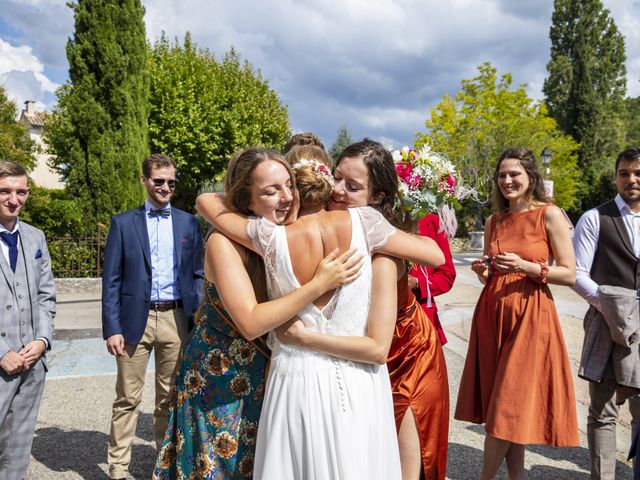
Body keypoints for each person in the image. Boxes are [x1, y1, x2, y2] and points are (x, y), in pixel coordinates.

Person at [198, 146, 445, 479]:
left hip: (294, 378)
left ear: (296, 189)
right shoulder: (368, 223)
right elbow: (436, 256)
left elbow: (207, 202)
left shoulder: (268, 237)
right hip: (360, 380)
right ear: (326, 183)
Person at [153, 148, 361, 479]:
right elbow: (250, 322)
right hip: (218, 377)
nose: (286, 197)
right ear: (247, 201)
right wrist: (319, 283)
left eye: (289, 185)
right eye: (270, 191)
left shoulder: (279, 234)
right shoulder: (224, 241)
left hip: (264, 374)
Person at [328, 139, 450, 479]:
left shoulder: (376, 234)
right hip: (359, 354)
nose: (337, 190)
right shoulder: (323, 217)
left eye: (352, 186)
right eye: (335, 178)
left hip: (409, 354)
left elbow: (437, 257)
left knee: (407, 465)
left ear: (377, 197)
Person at [455, 147, 578, 479]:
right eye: (502, 175)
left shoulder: (549, 214)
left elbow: (569, 273)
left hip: (531, 315)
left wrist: (527, 266)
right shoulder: (494, 220)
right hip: (492, 315)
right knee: (508, 406)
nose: (507, 180)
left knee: (507, 407)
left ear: (531, 177)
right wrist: (483, 270)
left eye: (514, 174)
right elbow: (490, 270)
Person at [102, 153, 204, 480]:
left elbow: (199, 273)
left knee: (168, 400)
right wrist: (112, 328)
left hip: (176, 320)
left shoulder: (189, 223)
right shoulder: (123, 223)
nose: (165, 188)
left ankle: (163, 467)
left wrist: (198, 310)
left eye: (171, 182)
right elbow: (111, 281)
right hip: (135, 320)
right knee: (127, 399)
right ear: (145, 180)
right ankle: (118, 469)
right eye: (158, 181)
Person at [572, 146, 640, 479]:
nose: (631, 179)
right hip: (606, 325)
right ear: (615, 176)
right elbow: (577, 272)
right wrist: (610, 305)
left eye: (637, 173)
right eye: (625, 172)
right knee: (604, 411)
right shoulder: (594, 218)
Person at [0, 160, 55, 480]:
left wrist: (42, 340)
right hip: (2, 359)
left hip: (33, 364)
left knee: (17, 451)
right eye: (5, 191)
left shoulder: (36, 238)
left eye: (20, 192)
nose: (13, 199)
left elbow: (47, 296)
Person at [408, 213, 456, 346]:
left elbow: (447, 274)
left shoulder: (432, 221)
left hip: (420, 315)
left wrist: (418, 283)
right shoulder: (375, 215)